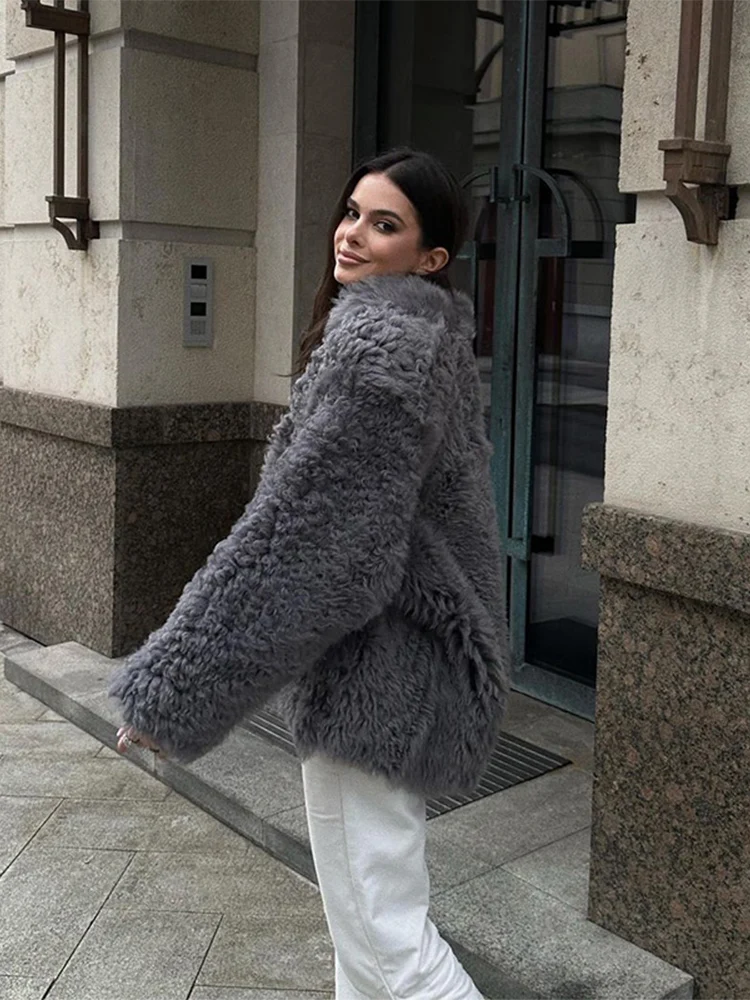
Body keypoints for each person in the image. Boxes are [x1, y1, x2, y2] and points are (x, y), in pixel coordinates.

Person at [111, 147, 510, 1000]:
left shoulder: (383, 349)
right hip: (407, 661)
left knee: (388, 946)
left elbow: (308, 545)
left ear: (432, 257)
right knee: (364, 945)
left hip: (382, 674)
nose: (353, 234)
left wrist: (175, 690)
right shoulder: (423, 336)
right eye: (352, 212)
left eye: (385, 223)